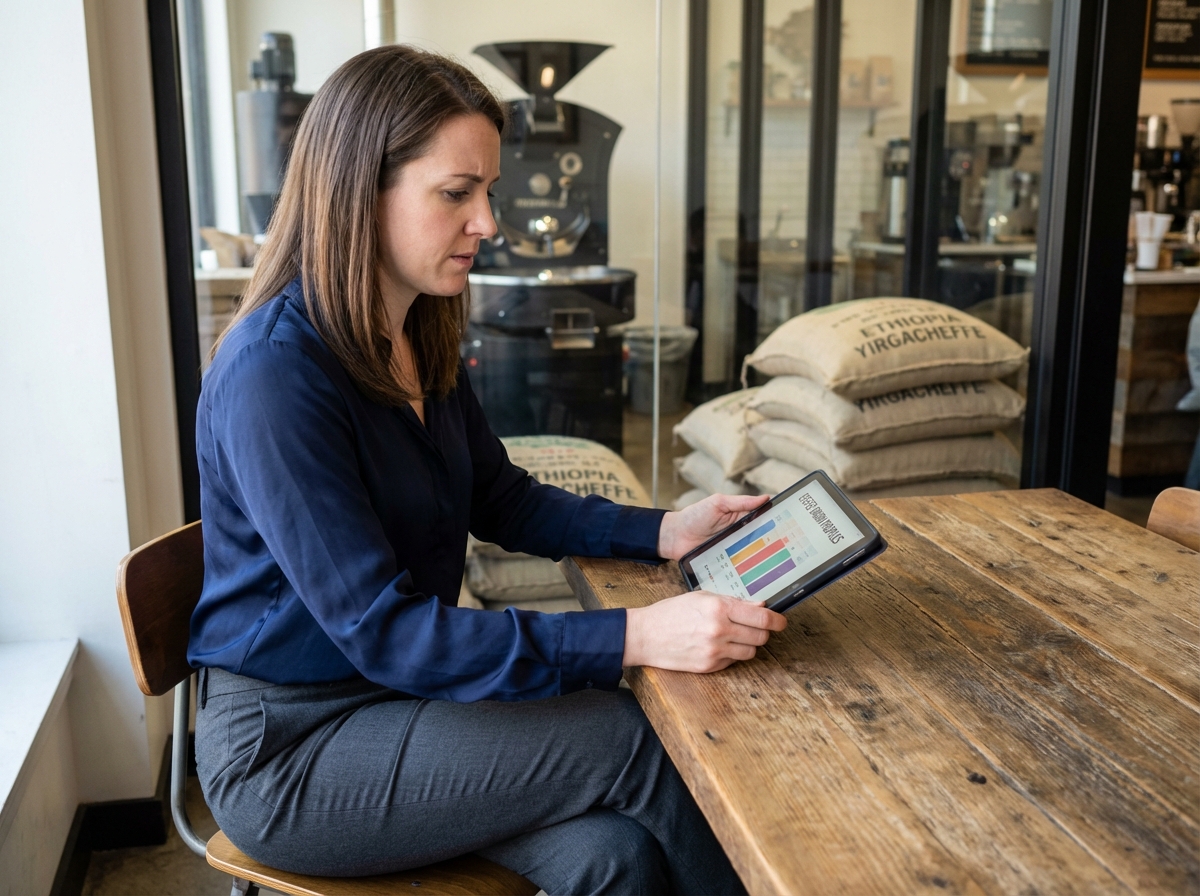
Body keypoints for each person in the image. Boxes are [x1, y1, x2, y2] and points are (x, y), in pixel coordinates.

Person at [189, 45, 786, 896]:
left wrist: (664, 530)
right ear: (361, 191)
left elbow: (498, 496)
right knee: (633, 740)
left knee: (613, 855)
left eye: (489, 192)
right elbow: (387, 632)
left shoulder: (417, 331)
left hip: (395, 700)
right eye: (456, 194)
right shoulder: (274, 373)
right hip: (293, 750)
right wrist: (636, 635)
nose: (488, 223)